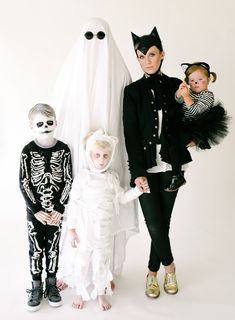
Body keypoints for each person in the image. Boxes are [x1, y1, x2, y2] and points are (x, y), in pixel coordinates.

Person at [51, 18, 138, 287]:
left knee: (105, 208)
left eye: (100, 36)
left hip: (109, 151)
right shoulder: (71, 70)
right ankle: (70, 269)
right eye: (88, 35)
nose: (94, 42)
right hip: (79, 151)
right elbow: (60, 113)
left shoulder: (120, 73)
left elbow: (130, 115)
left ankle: (105, 272)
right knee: (78, 205)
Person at [123, 27, 193, 299]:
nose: (146, 61)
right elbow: (130, 134)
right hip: (146, 166)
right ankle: (170, 267)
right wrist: (137, 172)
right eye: (141, 57)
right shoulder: (132, 92)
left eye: (151, 55)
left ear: (162, 54)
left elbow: (190, 118)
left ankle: (152, 273)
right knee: (154, 222)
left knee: (163, 220)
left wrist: (194, 137)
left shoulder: (177, 85)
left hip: (172, 164)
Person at [61, 129, 149, 311]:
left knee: (101, 261)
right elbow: (74, 204)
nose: (101, 160)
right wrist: (71, 229)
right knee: (82, 261)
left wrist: (138, 190)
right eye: (97, 155)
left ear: (111, 156)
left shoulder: (111, 179)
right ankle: (80, 291)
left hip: (104, 232)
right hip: (85, 231)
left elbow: (122, 198)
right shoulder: (83, 178)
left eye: (105, 156)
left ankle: (100, 293)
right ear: (89, 155)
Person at [19, 103, 73, 311]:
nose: (45, 126)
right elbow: (24, 182)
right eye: (40, 123)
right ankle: (35, 285)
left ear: (56, 123)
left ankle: (51, 284)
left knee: (52, 248)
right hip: (35, 212)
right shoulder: (27, 151)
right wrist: (35, 209)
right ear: (32, 126)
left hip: (56, 213)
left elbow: (68, 179)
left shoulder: (64, 149)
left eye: (50, 122)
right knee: (36, 248)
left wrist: (60, 208)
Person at [164, 61, 229, 192]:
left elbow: (196, 112)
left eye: (200, 80)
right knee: (172, 144)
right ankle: (179, 173)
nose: (196, 83)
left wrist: (187, 96)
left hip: (196, 126)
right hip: (183, 124)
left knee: (175, 145)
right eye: (192, 80)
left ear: (209, 79)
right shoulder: (191, 92)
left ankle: (177, 175)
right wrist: (179, 93)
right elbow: (178, 100)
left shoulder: (207, 96)